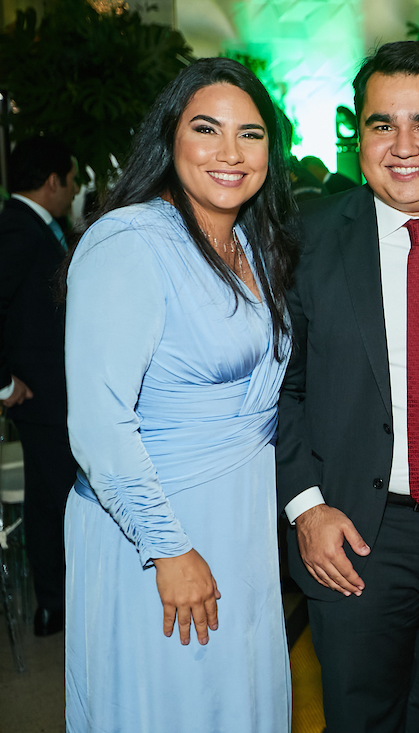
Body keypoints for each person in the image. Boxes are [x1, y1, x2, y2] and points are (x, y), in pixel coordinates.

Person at [62, 57, 298, 731]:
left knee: (235, 703)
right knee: (171, 706)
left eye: (251, 135)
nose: (231, 153)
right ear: (170, 139)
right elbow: (101, 424)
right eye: (207, 129)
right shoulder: (128, 242)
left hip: (242, 531)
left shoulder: (253, 240)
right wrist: (168, 548)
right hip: (159, 534)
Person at [276, 40, 419, 733]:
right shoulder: (305, 241)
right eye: (381, 124)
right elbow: (277, 389)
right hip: (355, 534)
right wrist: (305, 508)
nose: (403, 145)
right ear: (357, 135)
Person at [0, 136, 79, 637]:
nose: (73, 191)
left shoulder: (35, 225)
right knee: (62, 501)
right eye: (71, 181)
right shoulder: (19, 229)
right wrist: (4, 383)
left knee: (49, 500)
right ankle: (60, 601)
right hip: (40, 393)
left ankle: (55, 604)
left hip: (49, 393)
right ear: (53, 181)